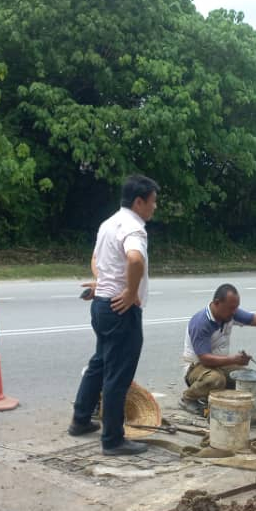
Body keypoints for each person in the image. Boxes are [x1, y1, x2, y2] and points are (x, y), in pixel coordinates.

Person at [68, 174, 158, 455]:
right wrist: (130, 292)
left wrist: (105, 282)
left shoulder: (108, 223)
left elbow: (97, 260)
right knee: (117, 375)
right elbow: (135, 259)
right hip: (122, 310)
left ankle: (81, 420)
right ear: (139, 201)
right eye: (153, 202)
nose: (155, 208)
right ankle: (113, 439)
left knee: (100, 363)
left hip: (102, 306)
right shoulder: (134, 228)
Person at [180, 284, 256, 413]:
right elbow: (205, 359)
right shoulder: (201, 323)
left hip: (218, 365)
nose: (234, 312)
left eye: (236, 308)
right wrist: (234, 359)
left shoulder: (229, 313)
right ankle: (188, 398)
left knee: (246, 378)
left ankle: (208, 396)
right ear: (217, 303)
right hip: (196, 367)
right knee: (215, 379)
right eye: (231, 308)